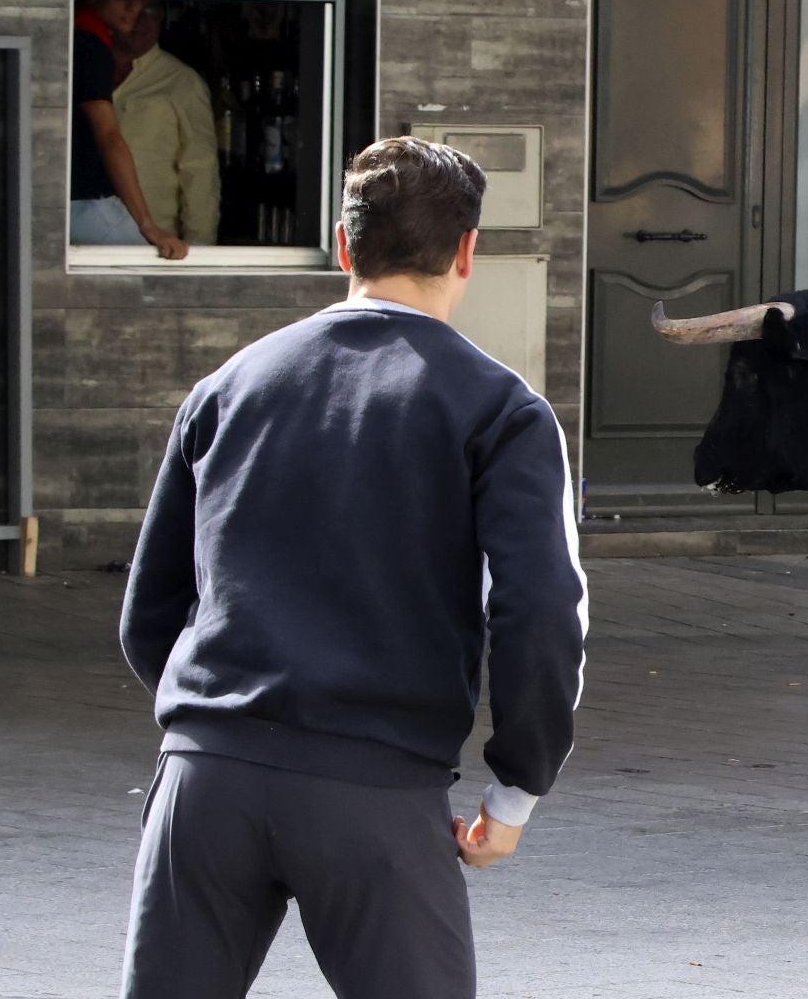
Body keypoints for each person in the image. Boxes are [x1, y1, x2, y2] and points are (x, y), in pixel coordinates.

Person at [117, 137, 588, 998]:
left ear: (344, 246)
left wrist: (222, 728)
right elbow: (543, 611)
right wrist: (515, 791)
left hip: (204, 781)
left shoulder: (226, 387)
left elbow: (149, 614)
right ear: (466, 250)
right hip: (375, 788)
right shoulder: (503, 412)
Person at [70, 0, 189, 259]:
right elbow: (109, 135)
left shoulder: (73, 30)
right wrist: (147, 225)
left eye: (143, 3)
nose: (133, 10)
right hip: (88, 203)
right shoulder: (88, 40)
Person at [112, 5, 221, 243]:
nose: (142, 20)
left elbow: (200, 167)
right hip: (83, 236)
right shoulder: (85, 70)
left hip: (155, 243)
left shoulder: (182, 81)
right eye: (134, 10)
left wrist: (199, 250)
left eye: (151, 11)